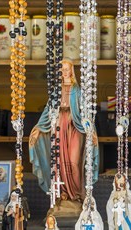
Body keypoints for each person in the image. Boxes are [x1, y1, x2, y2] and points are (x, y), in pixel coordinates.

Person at [29, 59, 98, 203]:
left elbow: (85, 113)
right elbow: (48, 111)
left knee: (74, 161)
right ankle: (63, 193)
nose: (65, 72)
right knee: (59, 162)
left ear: (72, 71)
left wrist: (91, 130)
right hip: (60, 127)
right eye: (63, 69)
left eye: (67, 69)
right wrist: (38, 128)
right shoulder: (56, 91)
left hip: (75, 127)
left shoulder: (77, 91)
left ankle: (78, 193)